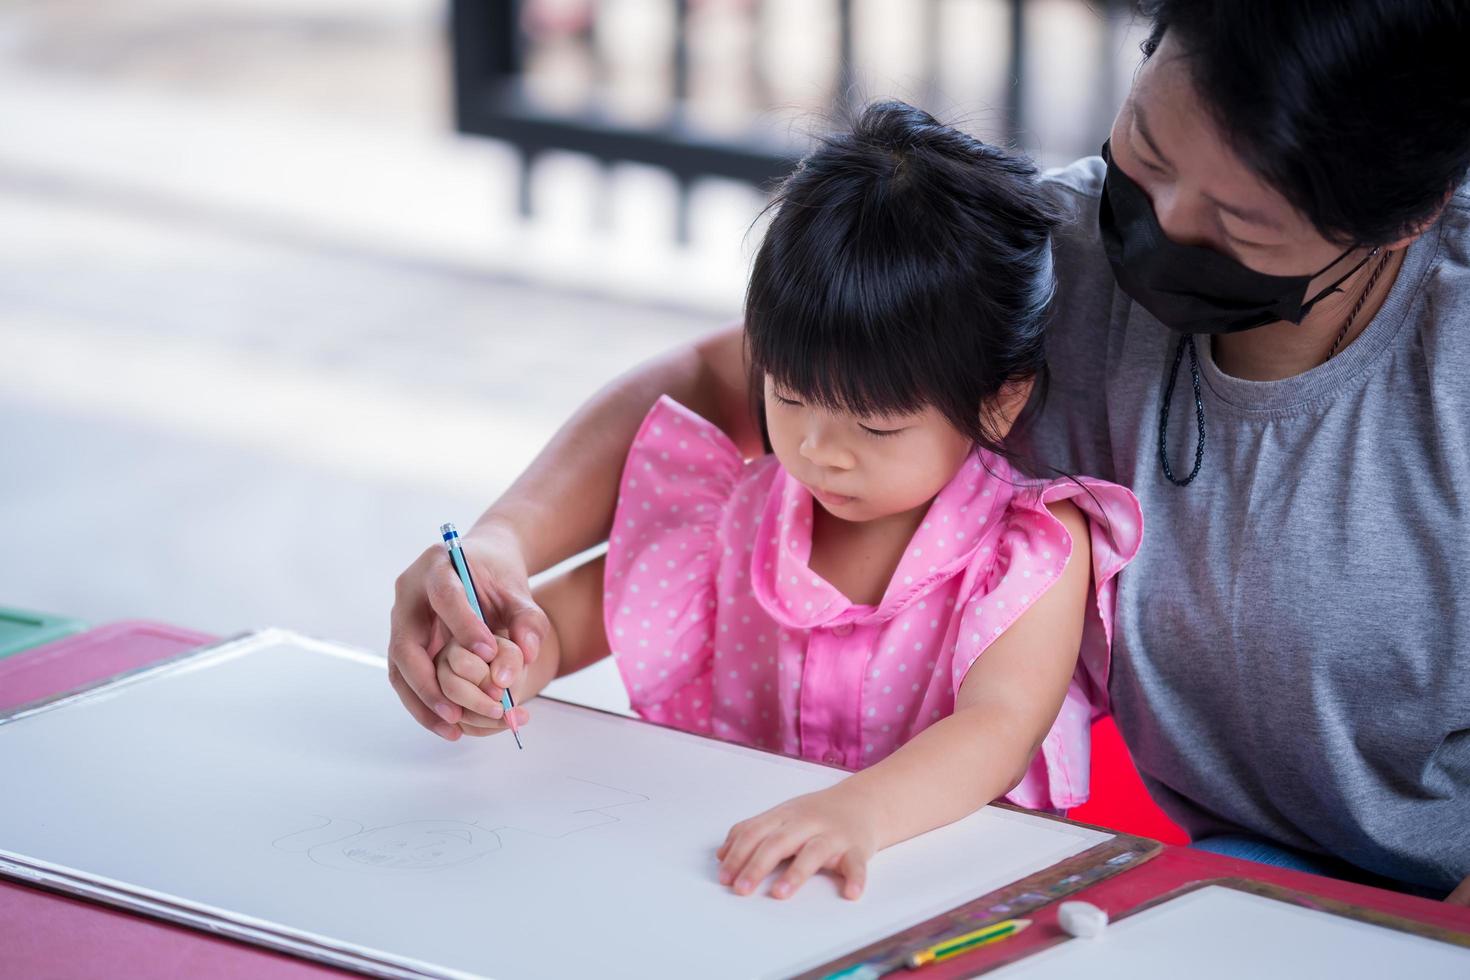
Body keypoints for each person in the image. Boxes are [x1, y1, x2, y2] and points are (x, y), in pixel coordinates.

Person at [391, 0, 1470, 901]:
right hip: (1179, 876)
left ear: (1407, 217)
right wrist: (502, 546)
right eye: (1144, 148)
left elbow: (998, 721)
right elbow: (720, 377)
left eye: (1239, 222)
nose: (1159, 218)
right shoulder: (1044, 258)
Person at [430, 101, 1141, 900]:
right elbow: (564, 619)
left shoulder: (1029, 547)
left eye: (876, 426)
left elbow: (999, 727)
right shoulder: (733, 516)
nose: (817, 451)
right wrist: (501, 663)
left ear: (1000, 403)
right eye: (792, 396)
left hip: (926, 899)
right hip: (720, 885)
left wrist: (858, 814)